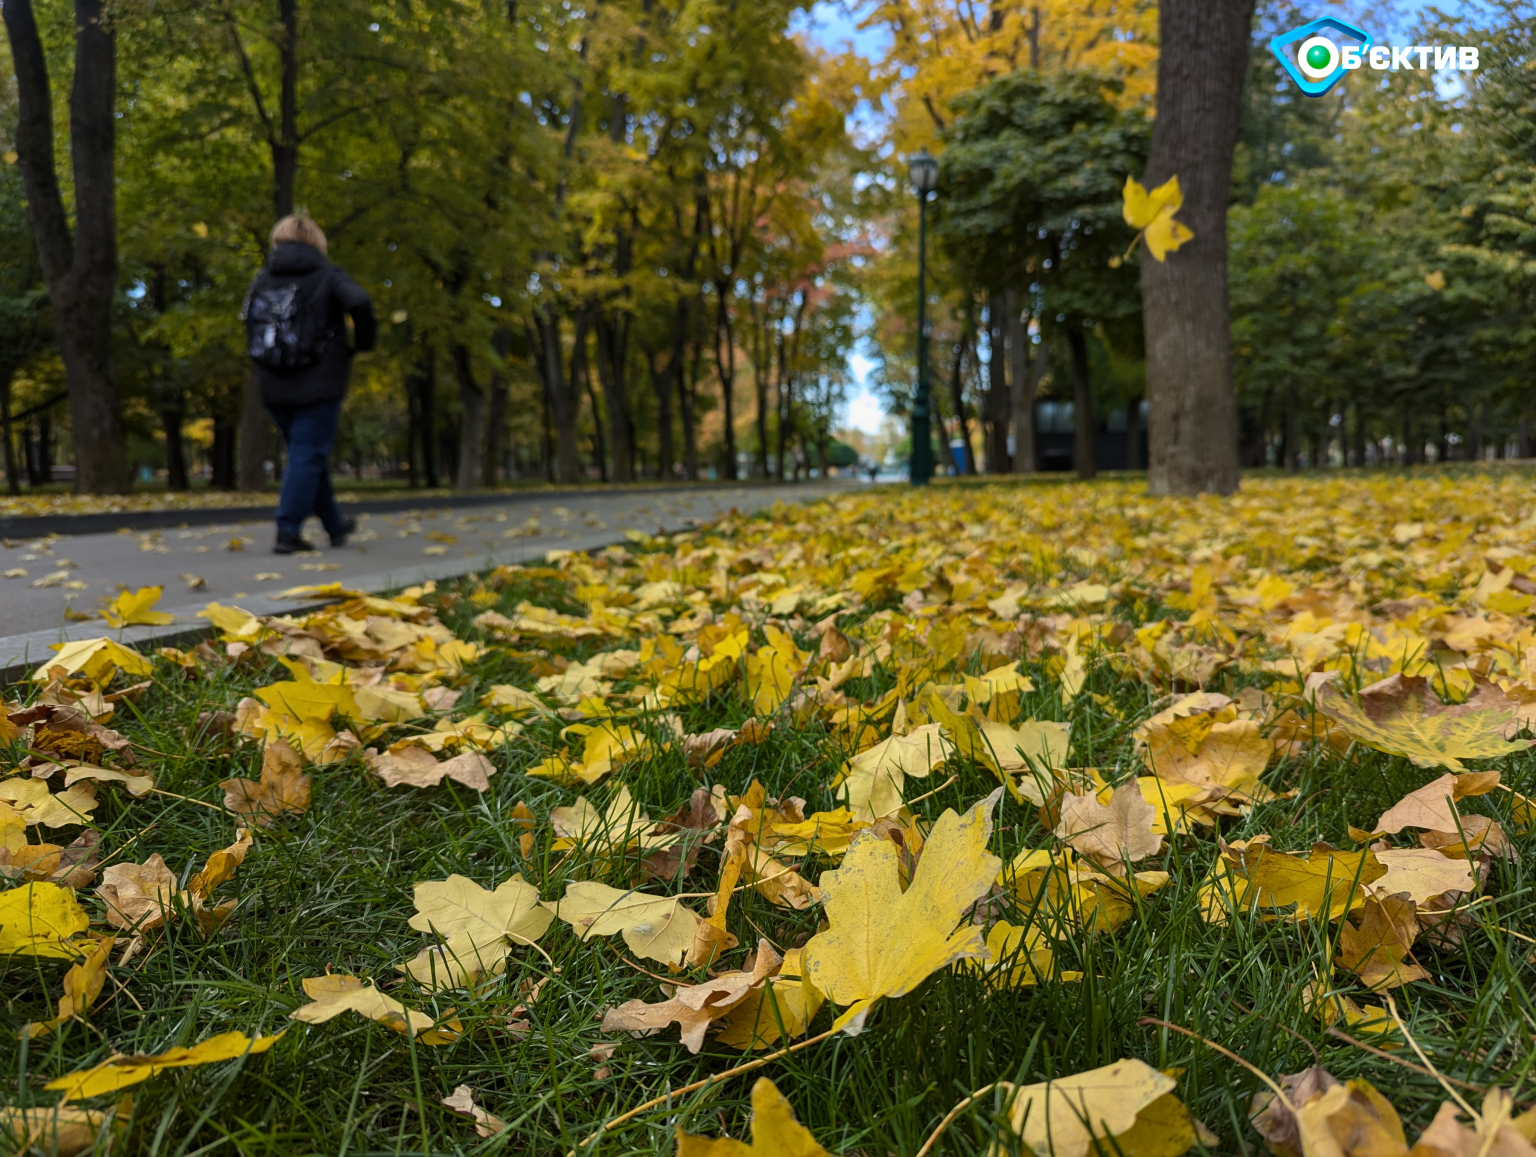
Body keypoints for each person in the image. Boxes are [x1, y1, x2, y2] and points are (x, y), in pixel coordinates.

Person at [242, 215, 376, 554]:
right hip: (319, 380)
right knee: (308, 453)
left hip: (273, 382)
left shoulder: (262, 280)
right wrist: (361, 344)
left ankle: (334, 525)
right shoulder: (328, 276)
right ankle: (288, 530)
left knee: (308, 453)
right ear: (317, 242)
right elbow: (360, 302)